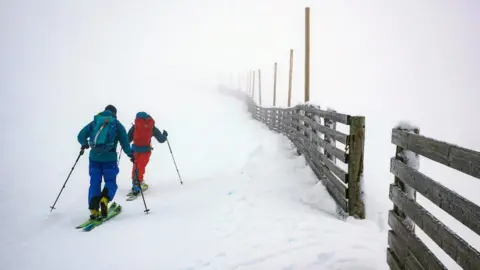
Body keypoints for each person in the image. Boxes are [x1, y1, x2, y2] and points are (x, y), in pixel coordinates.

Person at [77, 105, 134, 220]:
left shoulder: (95, 122)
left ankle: (93, 209)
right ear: (115, 113)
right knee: (110, 181)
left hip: (94, 159)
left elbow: (80, 136)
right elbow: (125, 144)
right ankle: (104, 199)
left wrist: (85, 144)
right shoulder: (117, 125)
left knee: (94, 182)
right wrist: (131, 155)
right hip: (110, 159)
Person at [127, 111, 168, 195]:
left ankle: (135, 182)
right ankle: (138, 183)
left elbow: (128, 139)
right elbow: (161, 139)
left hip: (135, 150)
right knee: (141, 166)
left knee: (136, 166)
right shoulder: (151, 126)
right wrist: (165, 135)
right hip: (145, 150)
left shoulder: (135, 127)